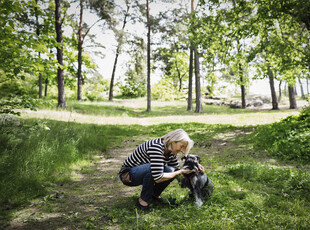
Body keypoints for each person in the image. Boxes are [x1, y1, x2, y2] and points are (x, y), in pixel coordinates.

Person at [118, 129, 205, 210]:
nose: (182, 150)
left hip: (143, 172)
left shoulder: (170, 150)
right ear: (173, 141)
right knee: (152, 169)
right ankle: (143, 200)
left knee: (171, 170)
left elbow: (177, 171)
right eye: (181, 146)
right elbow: (158, 177)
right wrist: (181, 171)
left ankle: (154, 195)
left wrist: (194, 166)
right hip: (129, 176)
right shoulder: (156, 147)